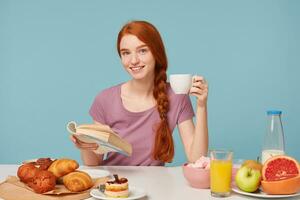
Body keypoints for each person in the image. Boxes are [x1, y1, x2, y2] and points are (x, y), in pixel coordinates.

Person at [70, 20, 208, 166]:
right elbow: (94, 163)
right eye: (126, 53)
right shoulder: (105, 99)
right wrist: (86, 144)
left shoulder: (177, 96)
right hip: (115, 185)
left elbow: (196, 158)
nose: (134, 60)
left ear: (156, 52)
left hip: (155, 186)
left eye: (142, 50)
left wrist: (202, 105)